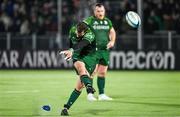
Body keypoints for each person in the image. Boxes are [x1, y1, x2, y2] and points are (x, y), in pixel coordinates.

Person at [60, 22, 97, 116]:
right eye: (77, 32)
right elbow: (71, 43)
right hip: (77, 55)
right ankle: (89, 87)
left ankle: (66, 108)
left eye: (80, 33)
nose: (77, 34)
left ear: (84, 32)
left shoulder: (90, 34)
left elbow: (82, 43)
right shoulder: (73, 30)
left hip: (90, 56)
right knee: (81, 68)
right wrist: (70, 51)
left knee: (79, 86)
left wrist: (71, 50)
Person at [84, 3, 116, 101]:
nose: (100, 13)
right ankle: (90, 94)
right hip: (93, 51)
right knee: (92, 72)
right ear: (94, 12)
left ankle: (101, 95)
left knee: (102, 73)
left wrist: (112, 41)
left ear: (104, 11)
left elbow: (112, 32)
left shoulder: (107, 21)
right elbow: (81, 27)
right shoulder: (90, 20)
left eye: (102, 11)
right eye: (98, 11)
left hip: (104, 51)